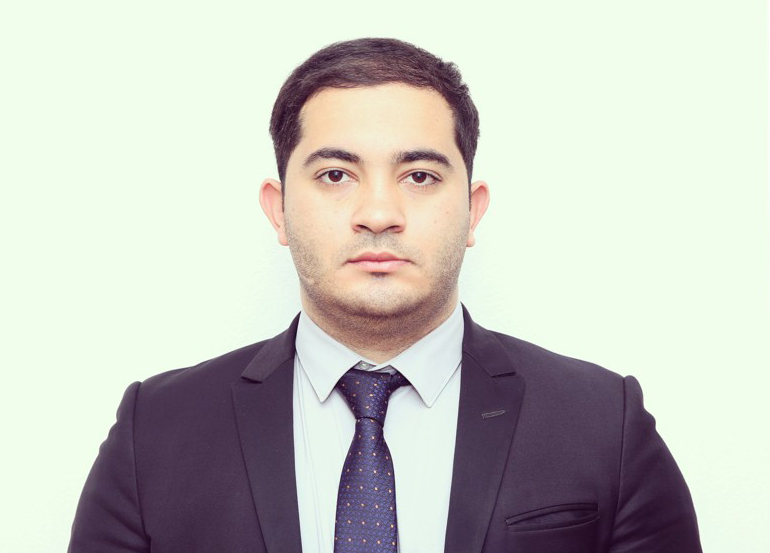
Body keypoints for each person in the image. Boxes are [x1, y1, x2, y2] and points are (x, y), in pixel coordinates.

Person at [68, 38, 702, 553]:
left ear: (473, 210)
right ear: (279, 210)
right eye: (335, 174)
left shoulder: (603, 423)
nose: (378, 213)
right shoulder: (156, 430)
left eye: (419, 176)